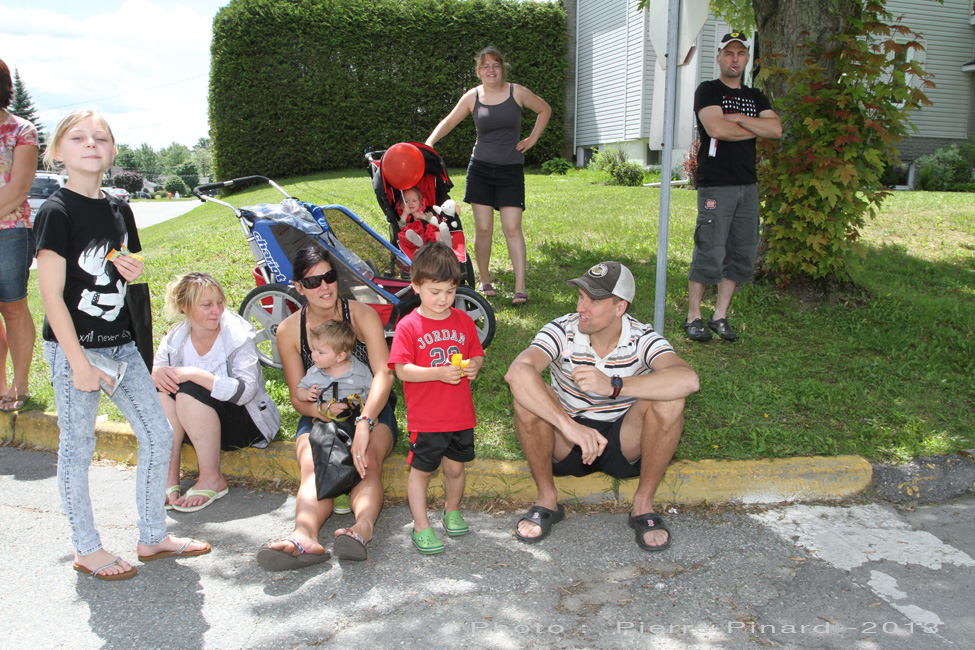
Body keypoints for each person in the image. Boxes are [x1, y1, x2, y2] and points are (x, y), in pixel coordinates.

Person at [34, 110, 209, 581]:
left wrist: (132, 266)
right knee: (76, 447)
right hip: (78, 349)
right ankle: (86, 548)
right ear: (57, 152)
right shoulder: (56, 211)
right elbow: (50, 296)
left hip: (122, 344)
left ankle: (152, 536)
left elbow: (126, 260)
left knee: (158, 434)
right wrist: (78, 364)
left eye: (101, 139)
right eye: (78, 137)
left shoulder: (119, 207)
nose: (91, 144)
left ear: (112, 153)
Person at [505, 262, 699, 551]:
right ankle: (547, 499)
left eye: (594, 300)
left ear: (620, 307)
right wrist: (570, 428)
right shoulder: (562, 329)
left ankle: (643, 504)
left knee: (670, 399)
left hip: (623, 440)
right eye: (581, 296)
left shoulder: (641, 337)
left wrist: (615, 385)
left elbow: (688, 379)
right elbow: (516, 372)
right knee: (527, 396)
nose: (582, 306)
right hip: (566, 439)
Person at [259, 244, 397, 569]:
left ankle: (361, 530)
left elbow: (384, 374)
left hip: (370, 409)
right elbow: (298, 397)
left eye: (329, 277)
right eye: (313, 281)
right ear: (298, 287)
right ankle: (303, 536)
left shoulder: (362, 315)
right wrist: (323, 413)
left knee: (369, 460)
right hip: (320, 414)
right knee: (311, 464)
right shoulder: (289, 330)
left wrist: (363, 421)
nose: (324, 287)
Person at [425, 46, 551, 305]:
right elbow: (449, 121)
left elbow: (544, 109)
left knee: (512, 228)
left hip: (510, 170)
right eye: (485, 66)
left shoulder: (517, 92)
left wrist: (532, 139)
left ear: (502, 68)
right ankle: (485, 281)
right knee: (483, 229)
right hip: (480, 169)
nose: (491, 70)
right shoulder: (473, 96)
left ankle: (520, 288)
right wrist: (429, 144)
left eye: (495, 65)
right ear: (478, 71)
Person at [152, 272, 281, 512]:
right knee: (164, 389)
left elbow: (245, 391)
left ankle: (212, 478)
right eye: (207, 305)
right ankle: (170, 477)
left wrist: (194, 374)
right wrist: (155, 373)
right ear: (185, 307)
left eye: (220, 303)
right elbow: (158, 379)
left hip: (245, 422)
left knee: (189, 387)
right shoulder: (174, 340)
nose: (217, 311)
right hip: (197, 427)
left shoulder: (237, 335)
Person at [684, 32, 782, 343]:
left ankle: (720, 316)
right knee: (710, 250)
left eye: (740, 53)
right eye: (729, 53)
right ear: (720, 57)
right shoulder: (708, 90)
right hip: (717, 184)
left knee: (741, 253)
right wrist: (753, 128)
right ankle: (694, 316)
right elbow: (715, 128)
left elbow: (776, 129)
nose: (735, 58)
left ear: (746, 58)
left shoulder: (756, 97)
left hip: (748, 185)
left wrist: (737, 119)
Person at [388, 242, 485, 554]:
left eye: (450, 291)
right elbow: (402, 370)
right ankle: (421, 525)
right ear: (416, 286)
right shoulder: (408, 326)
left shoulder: (464, 321)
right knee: (423, 471)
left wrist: (473, 367)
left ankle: (451, 509)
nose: (443, 299)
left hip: (460, 415)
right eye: (435, 291)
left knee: (456, 468)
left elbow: (477, 355)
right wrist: (437, 373)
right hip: (428, 418)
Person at [0, 59, 38, 412]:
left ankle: (20, 384)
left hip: (9, 232)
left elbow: (19, 187)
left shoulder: (20, 131)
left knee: (12, 308)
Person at [295, 320, 372, 408]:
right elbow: (299, 390)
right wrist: (305, 394)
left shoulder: (360, 372)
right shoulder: (314, 372)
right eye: (313, 348)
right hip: (324, 416)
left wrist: (369, 415)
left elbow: (373, 394)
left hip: (356, 416)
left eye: (321, 352)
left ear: (340, 357)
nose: (314, 354)